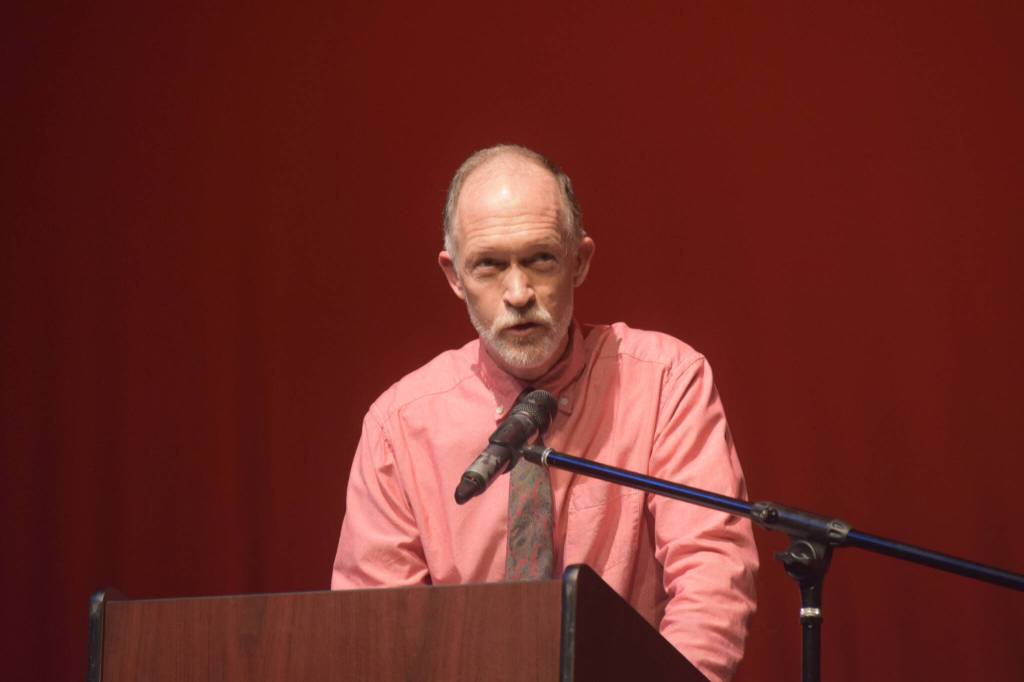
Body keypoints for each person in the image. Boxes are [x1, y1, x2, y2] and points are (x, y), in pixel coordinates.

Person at [332, 144, 758, 682]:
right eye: (489, 265)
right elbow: (377, 634)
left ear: (579, 261)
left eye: (540, 259)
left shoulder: (666, 381)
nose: (518, 293)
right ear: (454, 275)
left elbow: (712, 581)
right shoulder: (400, 425)